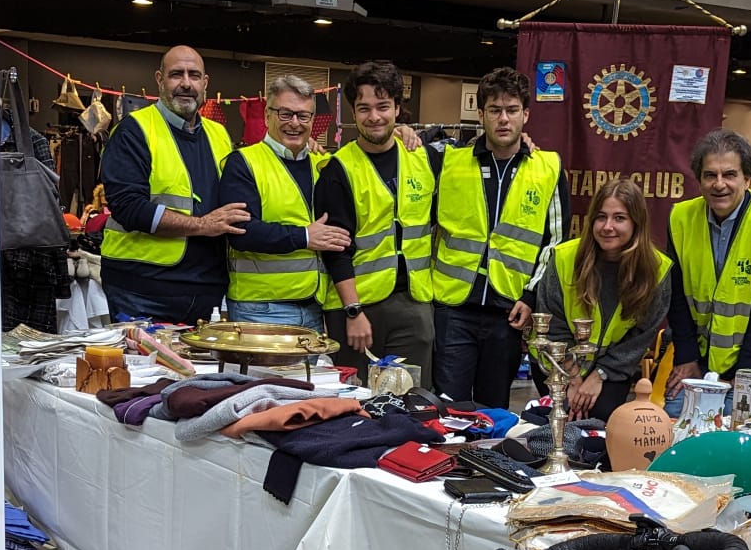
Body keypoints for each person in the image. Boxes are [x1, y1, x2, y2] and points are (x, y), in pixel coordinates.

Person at [431, 66, 569, 408]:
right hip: (452, 308)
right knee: (448, 409)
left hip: (508, 310)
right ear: (480, 115)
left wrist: (531, 295)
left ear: (526, 114)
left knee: (495, 411)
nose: (503, 119)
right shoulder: (449, 161)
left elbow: (555, 242)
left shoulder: (548, 167)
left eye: (511, 110)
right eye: (494, 110)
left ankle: (488, 464)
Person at [98, 45, 247, 324]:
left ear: (205, 83)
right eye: (176, 74)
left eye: (194, 75)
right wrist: (203, 225)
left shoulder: (219, 134)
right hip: (142, 289)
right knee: (144, 368)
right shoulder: (134, 130)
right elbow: (128, 207)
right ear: (159, 79)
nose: (186, 84)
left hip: (206, 291)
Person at [316, 60, 437, 383]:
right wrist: (353, 311)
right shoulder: (337, 169)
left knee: (413, 400)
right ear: (353, 113)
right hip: (358, 307)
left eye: (383, 106)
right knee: (355, 403)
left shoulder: (423, 158)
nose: (374, 117)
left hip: (414, 302)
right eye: (364, 108)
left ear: (398, 108)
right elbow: (335, 249)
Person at [522, 178, 673, 422]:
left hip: (614, 368)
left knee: (600, 419)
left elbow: (640, 337)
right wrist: (572, 378)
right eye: (601, 217)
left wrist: (599, 375)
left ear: (637, 222)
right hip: (558, 362)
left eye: (619, 218)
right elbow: (552, 324)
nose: (607, 226)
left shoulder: (657, 270)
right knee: (559, 417)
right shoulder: (563, 258)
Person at [659, 128, 751, 398]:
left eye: (730, 174)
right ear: (699, 180)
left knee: (737, 429)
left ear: (747, 179)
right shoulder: (680, 219)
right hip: (697, 352)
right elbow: (676, 299)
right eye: (710, 175)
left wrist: (743, 375)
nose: (719, 184)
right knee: (678, 423)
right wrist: (686, 358)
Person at [212, 76, 349, 328]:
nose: (295, 123)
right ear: (267, 116)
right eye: (285, 114)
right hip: (260, 309)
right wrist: (305, 237)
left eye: (303, 116)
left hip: (315, 307)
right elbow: (241, 232)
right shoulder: (243, 163)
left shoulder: (322, 164)